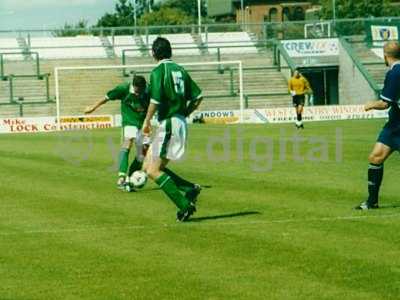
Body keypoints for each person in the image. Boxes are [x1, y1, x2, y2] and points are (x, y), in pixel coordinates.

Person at [142, 37, 203, 222]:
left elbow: (155, 100)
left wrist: (146, 121)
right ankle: (189, 188)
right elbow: (198, 96)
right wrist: (185, 112)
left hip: (168, 123)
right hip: (177, 121)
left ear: (153, 53)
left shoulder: (158, 71)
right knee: (147, 166)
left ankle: (185, 206)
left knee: (153, 171)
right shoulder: (180, 70)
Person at [355, 41, 400, 210]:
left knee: (376, 157)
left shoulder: (395, 73)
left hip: (397, 125)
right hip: (394, 125)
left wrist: (370, 104)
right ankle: (371, 202)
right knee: (376, 157)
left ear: (385, 55)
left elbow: (385, 103)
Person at [84, 75, 150, 189]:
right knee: (128, 142)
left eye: (141, 91)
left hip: (143, 123)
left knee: (144, 151)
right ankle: (121, 177)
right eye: (137, 91)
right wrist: (92, 108)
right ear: (133, 86)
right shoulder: (123, 89)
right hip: (129, 121)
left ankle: (130, 177)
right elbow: (106, 97)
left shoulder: (150, 90)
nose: (139, 94)